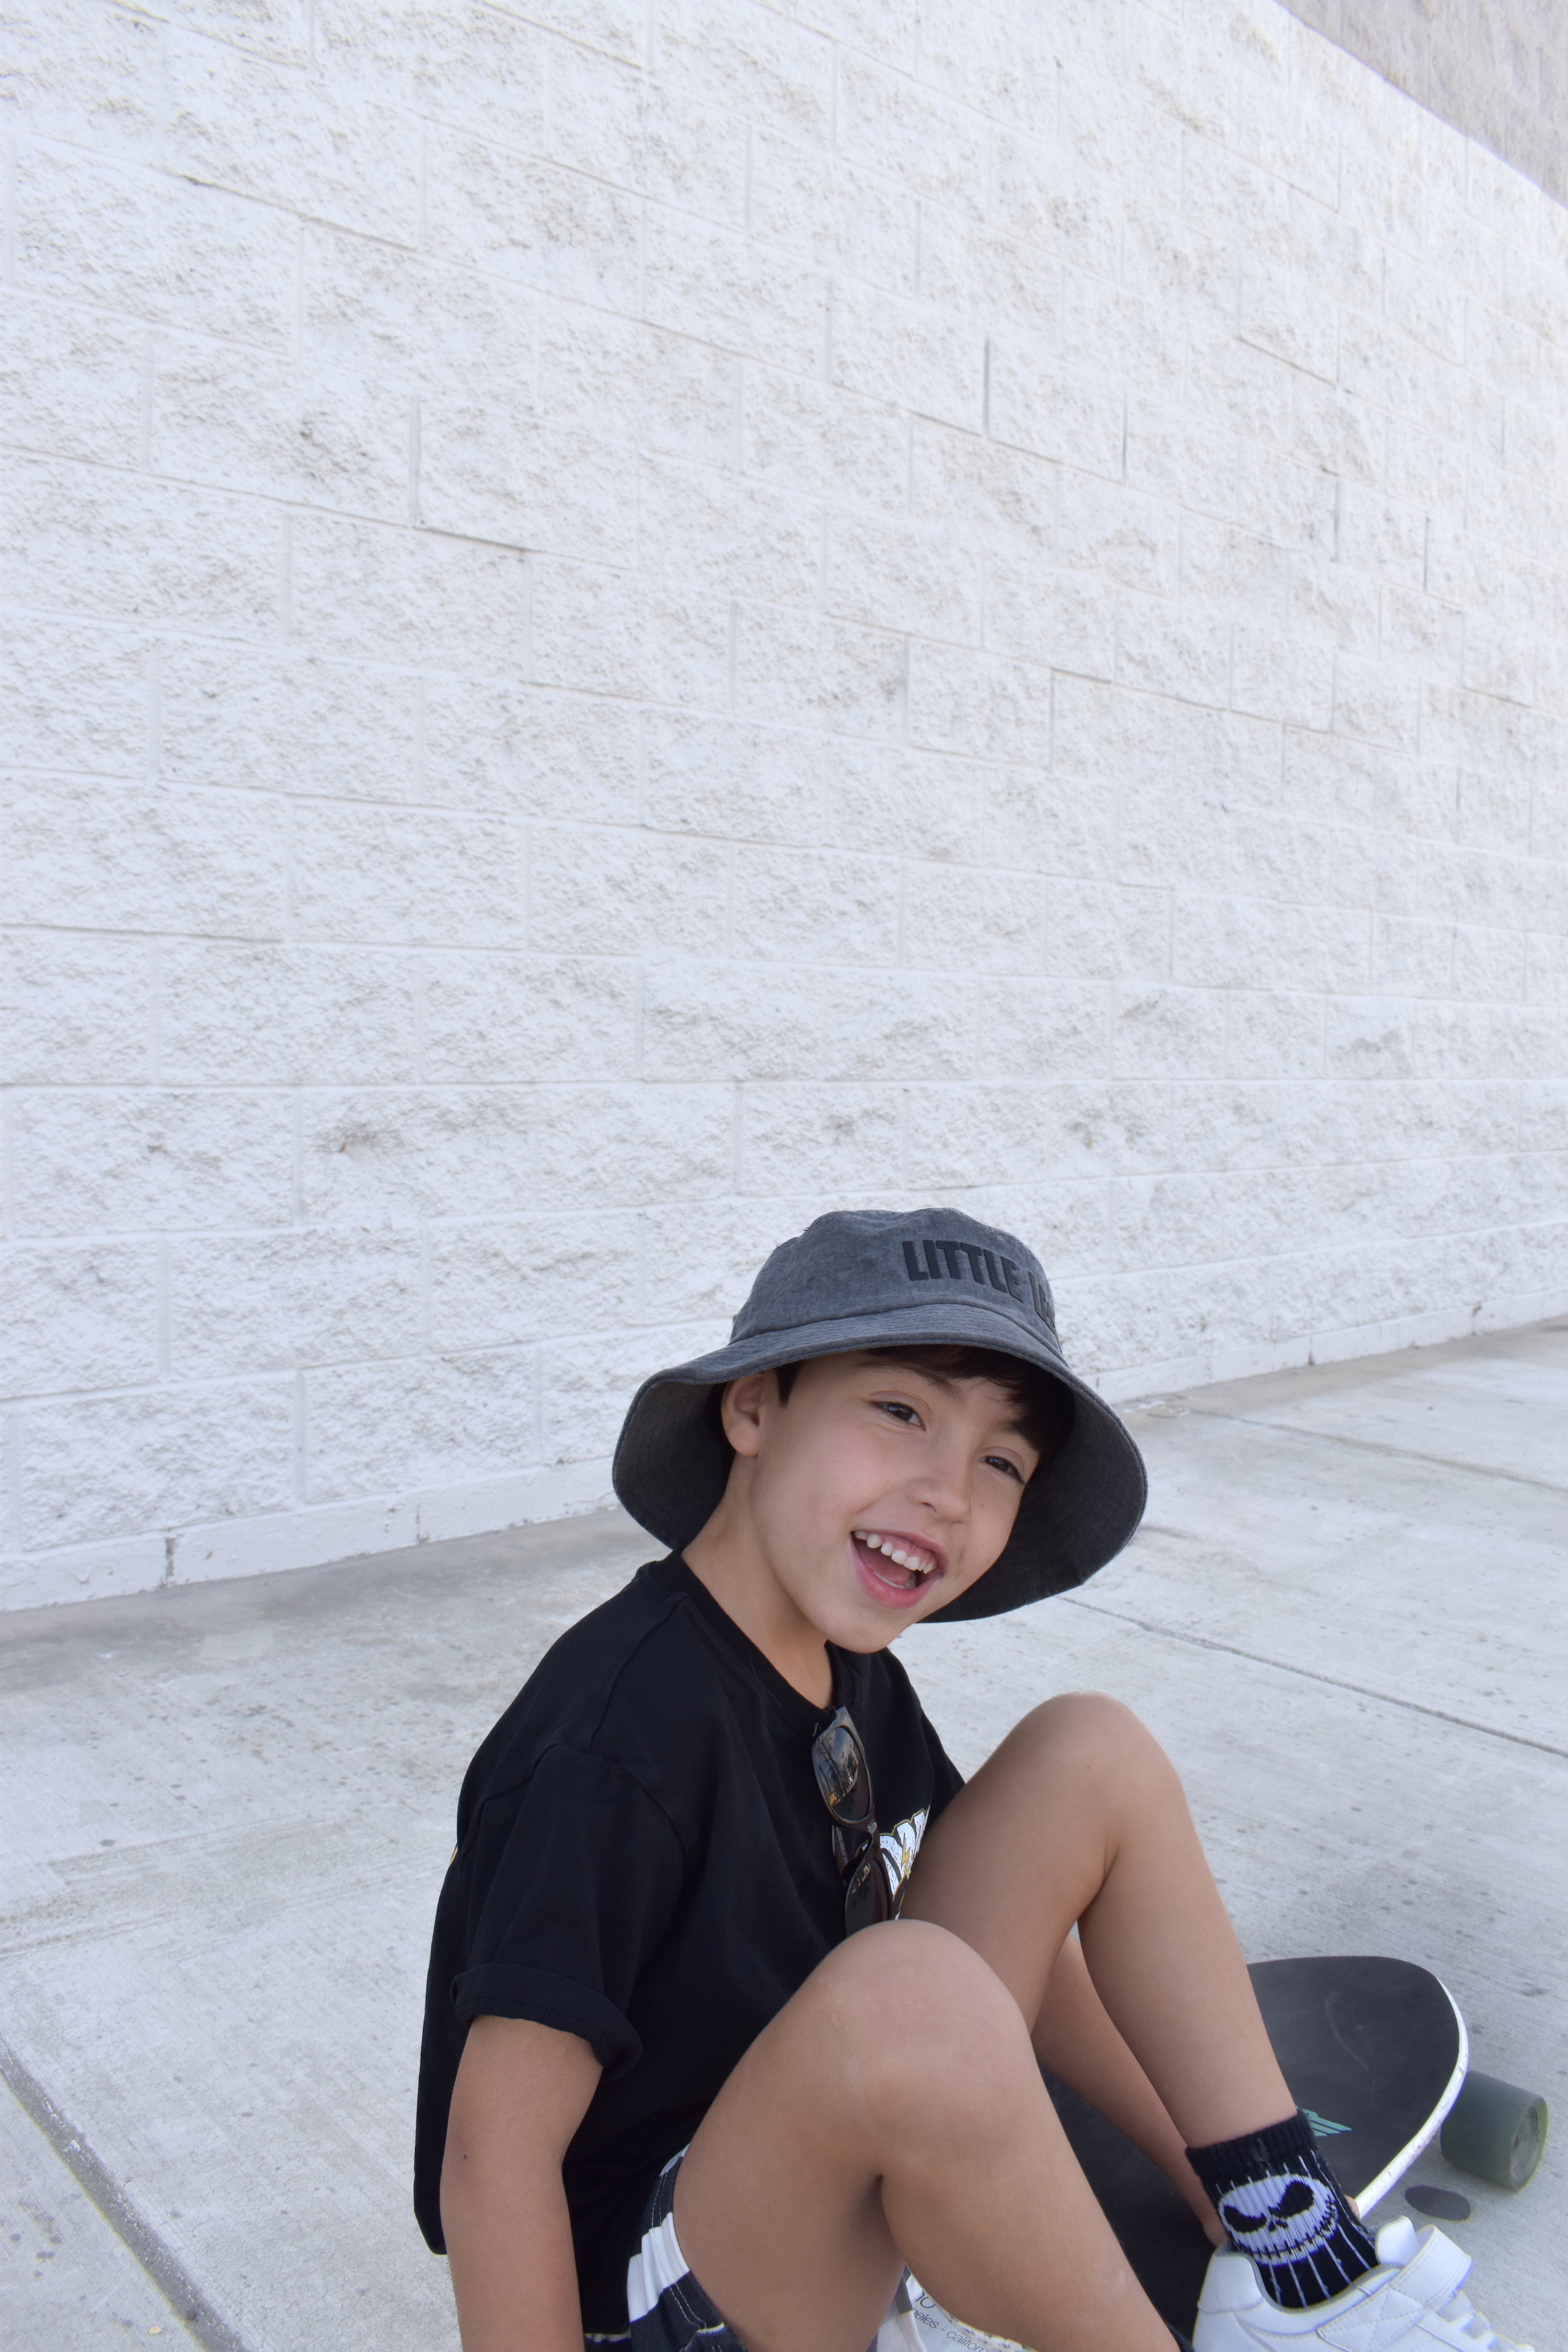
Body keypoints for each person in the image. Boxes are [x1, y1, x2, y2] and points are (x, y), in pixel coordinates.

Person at [414, 1208, 1527, 2352]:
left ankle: (1300, 2269)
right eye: (901, 1411)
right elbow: (489, 2157)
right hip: (675, 2289)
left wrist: (1232, 2204)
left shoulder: (841, 1668)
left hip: (825, 2163)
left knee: (1089, 1755)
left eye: (1000, 1460)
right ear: (753, 1407)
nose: (949, 1491)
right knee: (906, 1985)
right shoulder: (611, 1745)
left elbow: (1024, 1946)